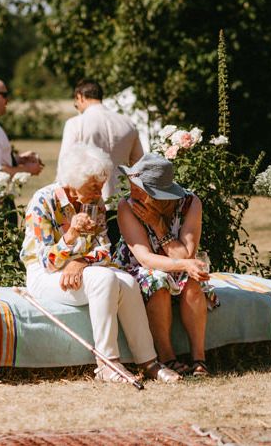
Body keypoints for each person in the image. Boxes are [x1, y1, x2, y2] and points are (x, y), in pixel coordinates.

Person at [20, 142, 179, 384]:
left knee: (127, 281)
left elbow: (105, 251)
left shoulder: (95, 205)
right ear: (73, 180)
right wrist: (71, 235)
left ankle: (148, 361)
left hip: (82, 271)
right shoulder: (43, 201)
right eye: (94, 187)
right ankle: (107, 363)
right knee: (104, 278)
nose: (99, 194)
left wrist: (81, 261)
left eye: (101, 187)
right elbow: (46, 262)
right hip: (44, 277)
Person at [113, 152, 217, 377]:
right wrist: (184, 264)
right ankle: (167, 357)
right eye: (132, 183)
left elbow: (186, 254)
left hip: (177, 263)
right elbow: (145, 258)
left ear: (158, 195)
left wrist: (158, 225)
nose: (132, 191)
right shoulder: (127, 206)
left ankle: (199, 358)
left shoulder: (190, 203)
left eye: (139, 188)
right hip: (136, 267)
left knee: (193, 280)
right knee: (157, 280)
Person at [58, 79, 144, 246]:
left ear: (80, 97)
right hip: (122, 200)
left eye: (76, 104)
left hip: (88, 201)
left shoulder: (76, 123)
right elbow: (139, 163)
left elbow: (65, 166)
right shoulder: (127, 123)